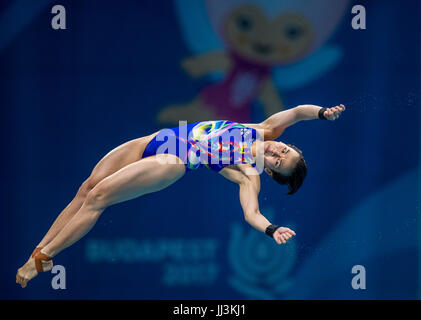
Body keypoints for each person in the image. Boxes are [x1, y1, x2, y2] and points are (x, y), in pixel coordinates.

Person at [16, 104, 345, 288]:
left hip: (171, 161)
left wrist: (271, 229)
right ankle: (38, 252)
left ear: (271, 173)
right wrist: (322, 114)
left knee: (98, 197)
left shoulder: (248, 173)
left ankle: (45, 258)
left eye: (278, 162)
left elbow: (251, 213)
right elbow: (299, 111)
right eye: (284, 150)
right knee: (86, 189)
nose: (276, 152)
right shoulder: (262, 129)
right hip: (153, 140)